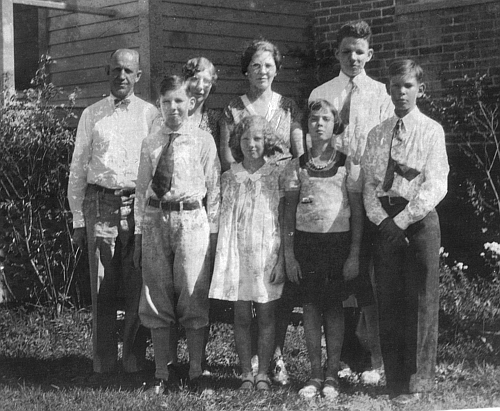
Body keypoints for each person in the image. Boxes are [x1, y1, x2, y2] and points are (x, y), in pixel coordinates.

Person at [308, 20, 393, 383]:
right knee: (337, 282)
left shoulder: (381, 95)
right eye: (346, 51)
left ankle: (375, 358)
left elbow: (388, 146)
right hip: (334, 200)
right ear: (336, 53)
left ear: (370, 54)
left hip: (370, 195)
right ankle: (341, 359)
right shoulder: (322, 91)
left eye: (360, 51)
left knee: (369, 279)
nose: (353, 57)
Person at [67, 49, 158, 379]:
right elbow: (78, 168)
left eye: (128, 70)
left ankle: (133, 357)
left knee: (137, 283)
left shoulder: (150, 115)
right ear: (108, 72)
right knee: (102, 284)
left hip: (137, 205)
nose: (121, 75)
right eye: (116, 69)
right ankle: (103, 362)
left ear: (138, 76)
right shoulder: (92, 115)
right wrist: (78, 219)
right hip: (101, 205)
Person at [362, 59, 448, 405]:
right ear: (387, 88)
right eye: (395, 85)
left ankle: (416, 382)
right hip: (385, 220)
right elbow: (369, 184)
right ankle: (394, 378)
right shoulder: (378, 133)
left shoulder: (431, 130)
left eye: (408, 86)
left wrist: (402, 221)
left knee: (420, 297)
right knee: (390, 298)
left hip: (419, 219)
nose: (401, 92)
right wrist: (382, 220)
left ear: (420, 90)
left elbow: (436, 183)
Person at [133, 75, 220, 395]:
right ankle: (161, 372)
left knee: (192, 294)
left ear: (192, 103)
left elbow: (216, 190)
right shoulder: (151, 142)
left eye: (180, 101)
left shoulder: (202, 141)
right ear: (159, 103)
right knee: (156, 296)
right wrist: (140, 236)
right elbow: (142, 191)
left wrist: (211, 234)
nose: (173, 107)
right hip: (156, 219)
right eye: (167, 101)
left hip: (192, 221)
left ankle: (197, 369)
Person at [283, 99, 363, 399]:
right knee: (311, 308)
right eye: (314, 118)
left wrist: (354, 253)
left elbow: (356, 213)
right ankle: (314, 373)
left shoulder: (347, 164)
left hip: (337, 246)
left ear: (335, 124)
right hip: (307, 245)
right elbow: (288, 215)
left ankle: (332, 375)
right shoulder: (297, 166)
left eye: (326, 119)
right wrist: (290, 255)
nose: (319, 124)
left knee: (334, 308)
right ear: (307, 124)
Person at [209, 115, 286, 391]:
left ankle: (263, 372)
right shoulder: (230, 177)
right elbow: (222, 218)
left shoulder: (276, 175)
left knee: (266, 316)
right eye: (245, 139)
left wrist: (281, 258)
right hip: (237, 256)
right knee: (241, 316)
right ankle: (245, 372)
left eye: (257, 139)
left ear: (267, 142)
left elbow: (281, 219)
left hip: (267, 255)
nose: (251, 145)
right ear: (236, 143)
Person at [220, 38, 303, 172]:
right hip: (246, 185)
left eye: (268, 66)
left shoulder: (288, 107)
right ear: (246, 70)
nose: (263, 71)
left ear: (276, 70)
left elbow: (299, 154)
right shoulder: (233, 109)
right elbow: (227, 159)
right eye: (256, 65)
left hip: (283, 185)